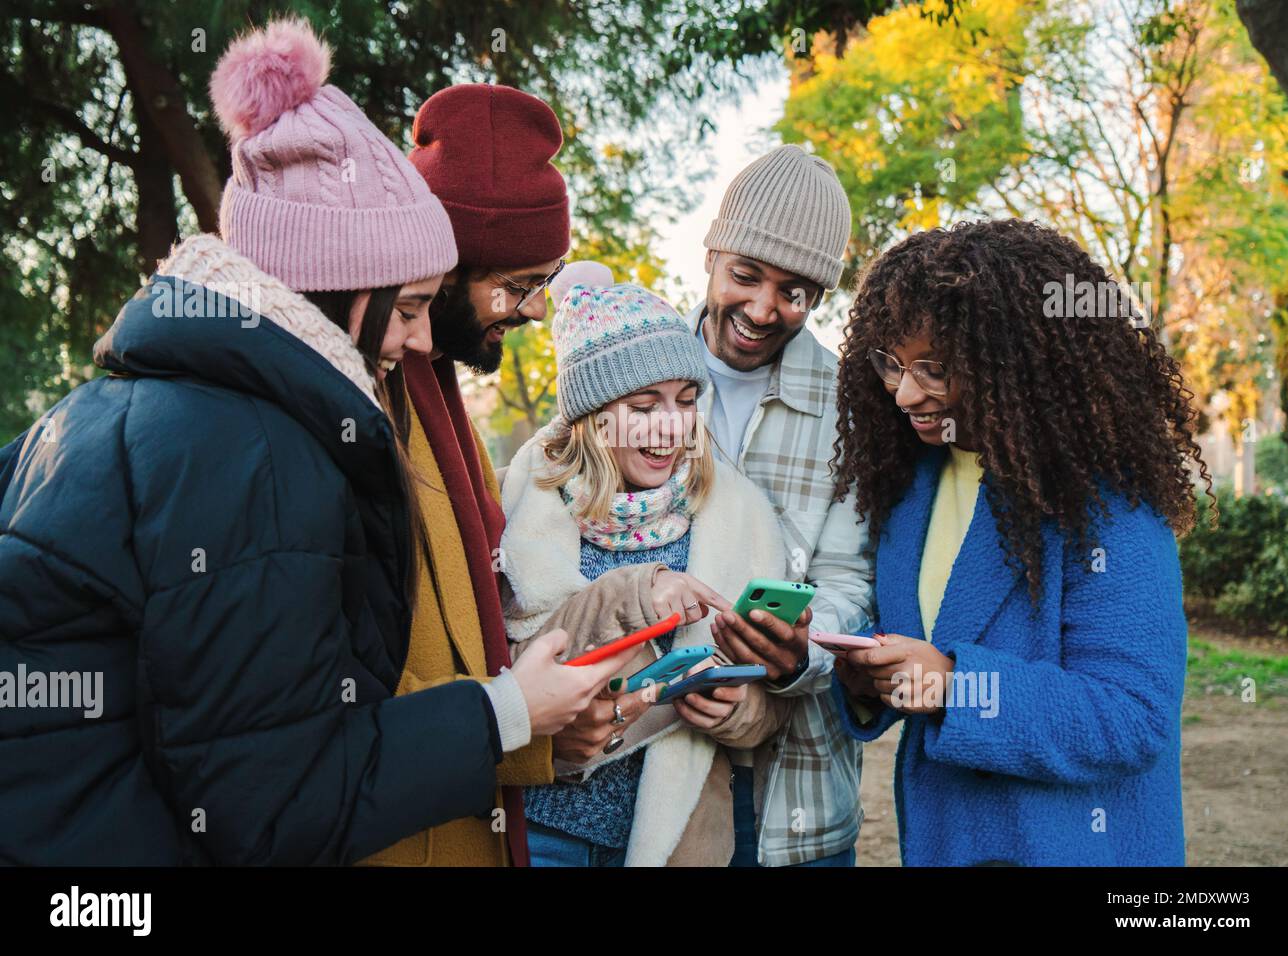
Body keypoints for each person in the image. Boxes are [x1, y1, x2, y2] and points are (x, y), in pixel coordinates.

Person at [0, 18, 630, 866]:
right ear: (341, 291)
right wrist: (512, 716)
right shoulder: (255, 451)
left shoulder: (119, 409)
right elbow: (272, 797)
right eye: (407, 307)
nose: (411, 344)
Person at [832, 219, 1210, 866]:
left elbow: (1132, 717)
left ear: (1016, 366)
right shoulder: (909, 483)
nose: (903, 391)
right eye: (891, 363)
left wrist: (956, 684)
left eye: (934, 369)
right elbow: (917, 647)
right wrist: (864, 679)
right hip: (947, 842)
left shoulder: (1107, 500)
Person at [497, 266, 799, 866]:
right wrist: (638, 593)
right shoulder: (516, 500)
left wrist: (740, 714)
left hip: (672, 837)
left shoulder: (739, 516)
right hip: (539, 828)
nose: (671, 426)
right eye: (644, 405)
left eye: (687, 402)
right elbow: (502, 670)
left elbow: (771, 705)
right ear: (594, 414)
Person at [358, 83, 572, 867]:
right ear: (444, 267)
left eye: (545, 281)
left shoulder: (440, 391)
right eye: (517, 285)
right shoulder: (357, 410)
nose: (536, 311)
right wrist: (518, 721)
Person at [687, 145, 872, 866]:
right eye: (746, 275)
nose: (763, 309)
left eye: (793, 291)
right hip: (651, 789)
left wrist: (802, 655)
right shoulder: (634, 377)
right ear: (710, 252)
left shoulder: (853, 405)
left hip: (797, 801)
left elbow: (852, 581)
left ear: (819, 296)